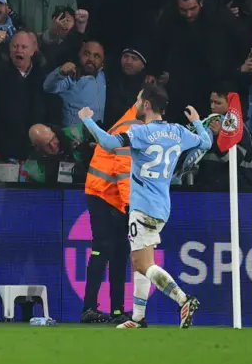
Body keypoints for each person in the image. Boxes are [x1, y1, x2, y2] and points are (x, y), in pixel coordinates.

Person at [77, 83, 212, 329]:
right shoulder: (179, 132)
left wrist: (88, 121)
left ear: (147, 105)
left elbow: (108, 143)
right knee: (139, 258)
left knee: (142, 264)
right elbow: (205, 143)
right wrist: (199, 122)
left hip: (142, 207)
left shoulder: (139, 132)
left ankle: (183, 300)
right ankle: (138, 317)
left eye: (139, 100)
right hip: (162, 208)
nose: (137, 105)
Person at [79, 101, 142, 324]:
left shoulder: (134, 124)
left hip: (111, 195)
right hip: (103, 194)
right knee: (103, 247)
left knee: (120, 250)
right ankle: (89, 308)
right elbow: (123, 171)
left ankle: (117, 311)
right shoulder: (130, 128)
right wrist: (129, 206)